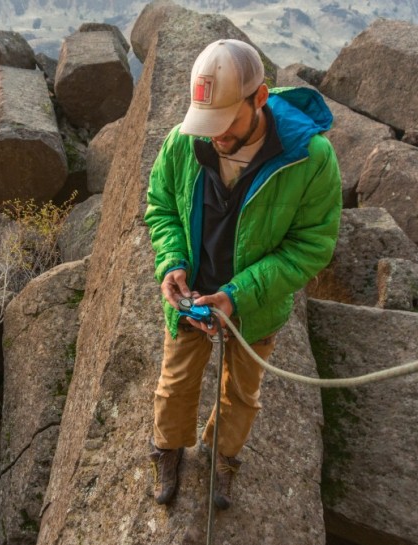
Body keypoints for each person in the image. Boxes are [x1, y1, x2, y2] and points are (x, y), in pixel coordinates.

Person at [144, 38, 342, 508]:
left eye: (226, 121)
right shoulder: (184, 141)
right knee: (175, 383)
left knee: (242, 393)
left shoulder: (310, 159)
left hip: (256, 304)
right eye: (206, 121)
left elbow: (311, 247)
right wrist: (172, 263)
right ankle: (167, 448)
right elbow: (162, 207)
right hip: (192, 294)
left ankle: (222, 455)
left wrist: (239, 294)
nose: (214, 135)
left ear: (260, 98)